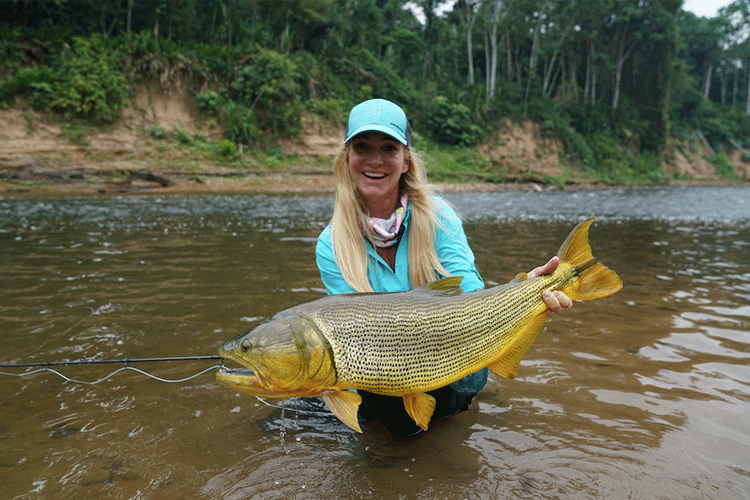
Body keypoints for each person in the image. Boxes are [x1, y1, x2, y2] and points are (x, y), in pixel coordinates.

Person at [315, 98, 572, 436]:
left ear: (406, 161)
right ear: (347, 159)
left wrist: (529, 293)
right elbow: (349, 339)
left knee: (432, 412)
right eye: (362, 147)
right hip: (380, 370)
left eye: (388, 148)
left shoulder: (439, 218)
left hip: (457, 353)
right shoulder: (330, 244)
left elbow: (471, 295)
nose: (375, 160)